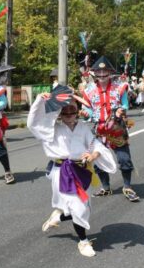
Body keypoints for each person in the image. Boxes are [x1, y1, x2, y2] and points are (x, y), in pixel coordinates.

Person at [27, 93, 117, 257]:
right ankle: (83, 242)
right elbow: (34, 123)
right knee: (79, 208)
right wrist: (40, 99)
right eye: (65, 111)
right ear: (59, 113)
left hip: (82, 171)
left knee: (80, 208)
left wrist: (94, 155)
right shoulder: (52, 128)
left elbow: (94, 144)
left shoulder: (82, 127)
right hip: (62, 172)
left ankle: (58, 217)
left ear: (78, 111)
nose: (69, 114)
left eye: (72, 111)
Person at [81, 56, 139, 202]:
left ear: (110, 72)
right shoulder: (88, 90)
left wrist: (121, 110)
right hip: (99, 130)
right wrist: (85, 113)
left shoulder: (120, 87)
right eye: (98, 72)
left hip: (116, 128)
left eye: (104, 71)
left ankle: (127, 186)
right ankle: (106, 187)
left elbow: (125, 104)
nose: (101, 75)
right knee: (99, 161)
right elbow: (86, 108)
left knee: (124, 159)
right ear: (94, 73)